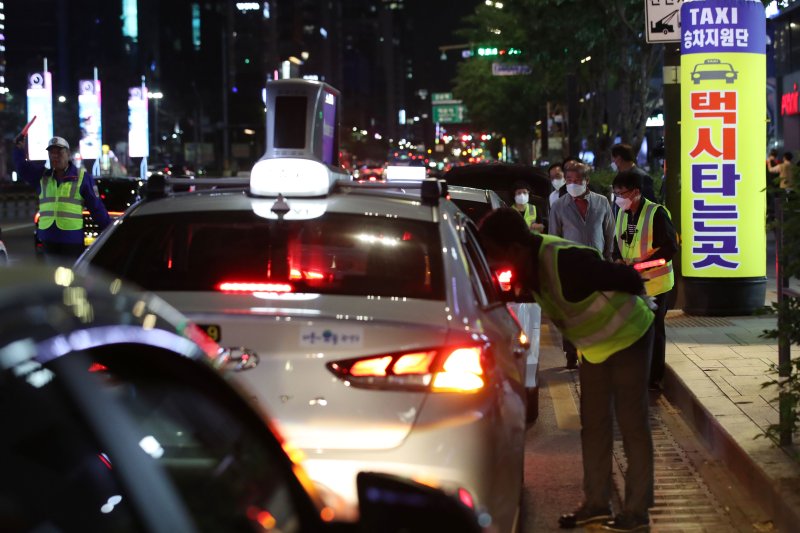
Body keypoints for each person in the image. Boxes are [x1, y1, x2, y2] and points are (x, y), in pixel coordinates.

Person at [478, 208, 655, 532]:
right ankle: (596, 504)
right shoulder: (527, 267)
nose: (493, 262)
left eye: (494, 253)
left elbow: (629, 279)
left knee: (631, 425)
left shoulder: (566, 260)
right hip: (596, 349)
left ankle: (636, 510)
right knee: (594, 426)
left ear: (515, 248)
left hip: (630, 335)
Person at [612, 170, 678, 392]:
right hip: (633, 284)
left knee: (653, 331)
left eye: (622, 193)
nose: (618, 198)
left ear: (636, 192)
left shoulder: (656, 214)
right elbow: (618, 242)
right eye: (616, 193)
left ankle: (653, 378)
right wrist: (617, 260)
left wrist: (640, 266)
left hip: (656, 285)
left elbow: (670, 248)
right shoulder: (622, 213)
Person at [549, 160, 615, 369]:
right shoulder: (559, 206)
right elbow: (554, 237)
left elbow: (609, 233)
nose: (572, 183)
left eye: (577, 180)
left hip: (597, 265)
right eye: (569, 180)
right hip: (570, 267)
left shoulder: (602, 202)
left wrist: (608, 258)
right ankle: (571, 353)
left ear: (587, 181)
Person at [13, 133, 110, 264]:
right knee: (52, 281)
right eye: (51, 153)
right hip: (48, 240)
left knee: (70, 280)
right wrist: (19, 149)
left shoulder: (82, 178)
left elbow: (97, 208)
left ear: (68, 154)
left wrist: (110, 231)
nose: (54, 156)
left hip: (72, 242)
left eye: (59, 152)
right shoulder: (42, 176)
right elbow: (22, 168)